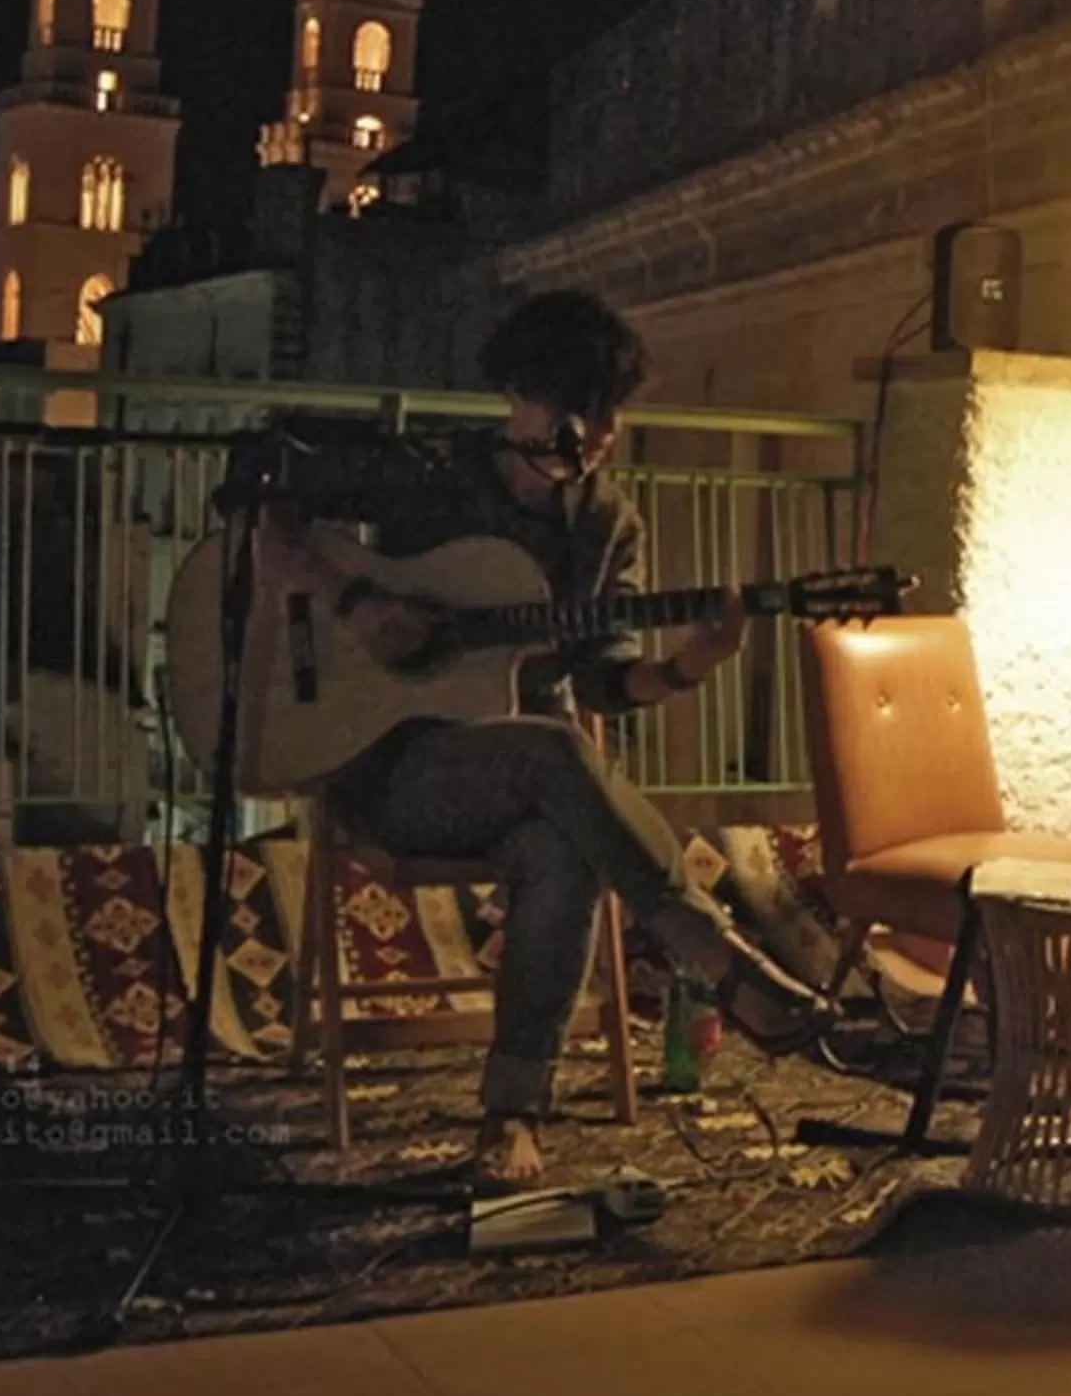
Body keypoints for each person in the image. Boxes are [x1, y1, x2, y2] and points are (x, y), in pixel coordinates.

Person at [255, 289, 826, 1185]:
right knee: (559, 752)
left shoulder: (608, 525)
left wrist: (692, 665)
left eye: (610, 412)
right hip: (395, 770)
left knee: (561, 844)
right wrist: (356, 603)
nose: (594, 432)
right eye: (574, 406)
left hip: (522, 779)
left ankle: (511, 1116)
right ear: (518, 396)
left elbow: (605, 680)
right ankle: (714, 953)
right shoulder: (433, 474)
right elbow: (273, 510)